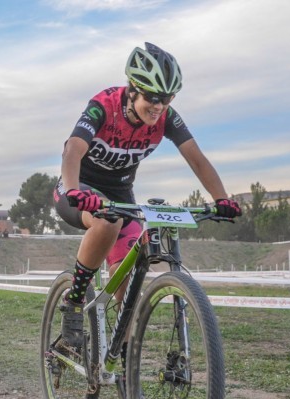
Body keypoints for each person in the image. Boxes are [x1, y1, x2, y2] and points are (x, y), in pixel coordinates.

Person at [53, 42, 242, 350]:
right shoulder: (104, 105)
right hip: (79, 186)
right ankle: (74, 300)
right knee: (107, 221)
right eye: (152, 97)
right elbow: (72, 149)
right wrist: (75, 190)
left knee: (128, 284)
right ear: (133, 90)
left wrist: (222, 199)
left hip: (120, 193)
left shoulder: (167, 118)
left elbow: (197, 158)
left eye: (167, 98)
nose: (159, 106)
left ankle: (124, 367)